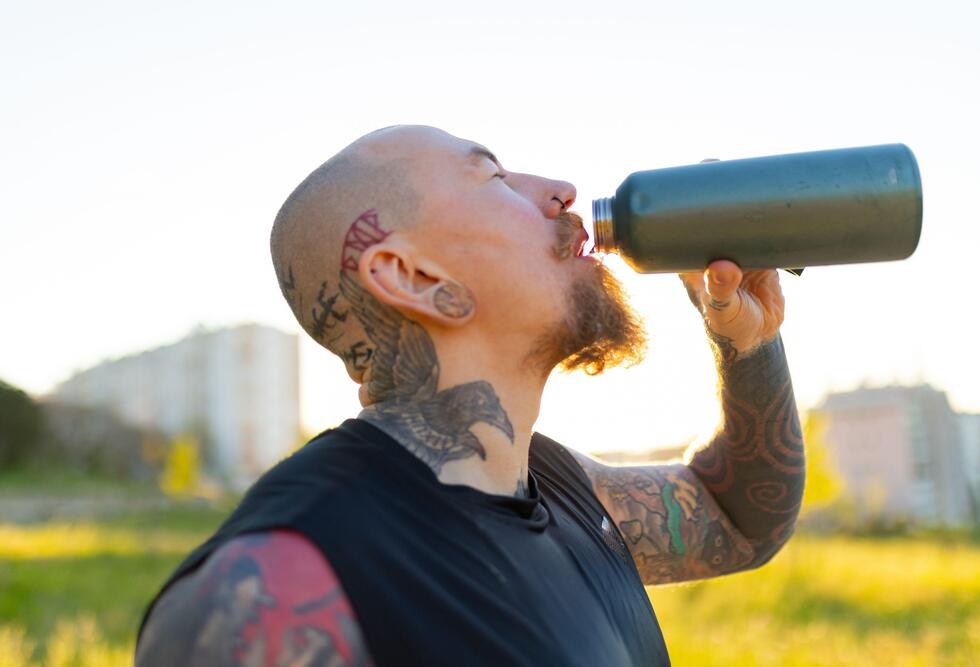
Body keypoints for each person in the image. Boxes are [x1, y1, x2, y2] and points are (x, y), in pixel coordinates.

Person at [135, 125, 805, 666]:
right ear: (412, 275)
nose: (562, 191)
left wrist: (746, 342)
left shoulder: (562, 486)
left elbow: (738, 517)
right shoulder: (271, 588)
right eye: (495, 178)